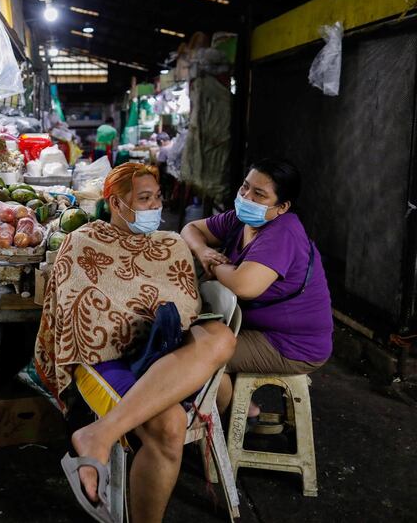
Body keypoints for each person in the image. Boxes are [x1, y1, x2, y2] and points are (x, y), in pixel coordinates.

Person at [34, 163, 236, 523]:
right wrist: (133, 323)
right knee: (170, 424)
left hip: (167, 352)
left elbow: (188, 306)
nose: (154, 207)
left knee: (220, 336)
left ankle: (98, 435)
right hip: (108, 357)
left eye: (157, 198)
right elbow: (74, 321)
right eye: (144, 199)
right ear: (115, 203)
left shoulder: (172, 244)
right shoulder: (81, 242)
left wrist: (160, 322)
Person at [181, 159, 333, 419]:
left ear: (282, 207)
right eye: (245, 187)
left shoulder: (283, 233)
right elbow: (191, 228)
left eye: (259, 194)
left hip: (290, 343)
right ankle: (239, 410)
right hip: (258, 329)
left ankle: (231, 420)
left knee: (196, 354)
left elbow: (244, 285)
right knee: (190, 338)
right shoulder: (241, 221)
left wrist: (215, 267)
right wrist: (204, 251)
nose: (246, 197)